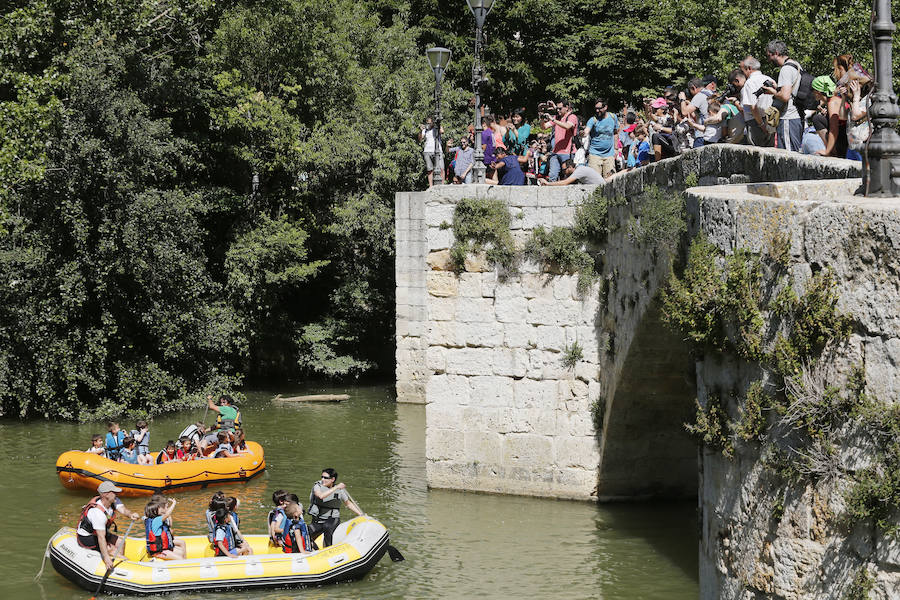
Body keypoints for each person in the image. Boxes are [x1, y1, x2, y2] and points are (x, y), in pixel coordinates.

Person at [76, 481, 140, 570]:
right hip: (87, 536)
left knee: (121, 542)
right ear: (106, 494)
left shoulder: (114, 500)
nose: (116, 494)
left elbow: (123, 510)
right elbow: (101, 537)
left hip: (100, 532)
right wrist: (106, 558)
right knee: (112, 550)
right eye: (114, 492)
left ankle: (119, 565)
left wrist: (131, 514)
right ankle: (127, 566)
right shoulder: (97, 513)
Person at [308, 469, 363, 549]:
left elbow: (348, 503)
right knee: (306, 532)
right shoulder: (317, 486)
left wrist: (360, 514)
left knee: (327, 527)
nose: (323, 479)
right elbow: (321, 496)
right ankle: (315, 549)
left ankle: (328, 549)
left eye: (325, 478)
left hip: (332, 518)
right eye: (322, 477)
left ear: (332, 479)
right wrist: (337, 487)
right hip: (318, 520)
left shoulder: (340, 490)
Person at [764, 40, 804, 152]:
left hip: (788, 118)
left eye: (769, 56)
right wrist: (778, 88)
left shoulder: (785, 69)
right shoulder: (796, 65)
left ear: (776, 53)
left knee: (787, 155)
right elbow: (792, 90)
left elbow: (785, 96)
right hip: (797, 115)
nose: (768, 59)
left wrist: (772, 91)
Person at [740, 56, 775, 147]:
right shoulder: (769, 79)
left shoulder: (750, 82)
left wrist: (761, 125)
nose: (743, 73)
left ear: (749, 69)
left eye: (743, 70)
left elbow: (753, 107)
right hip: (771, 120)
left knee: (755, 154)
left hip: (756, 122)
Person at [542, 101, 579, 181]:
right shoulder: (557, 117)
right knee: (552, 175)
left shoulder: (572, 117)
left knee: (568, 176)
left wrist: (553, 119)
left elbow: (567, 126)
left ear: (566, 107)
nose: (557, 110)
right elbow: (544, 126)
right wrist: (541, 116)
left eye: (559, 108)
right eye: (557, 108)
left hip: (567, 152)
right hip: (555, 152)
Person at [144, 495, 187, 560]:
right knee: (180, 558)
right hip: (159, 552)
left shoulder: (155, 519)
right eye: (159, 508)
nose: (161, 508)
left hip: (162, 548)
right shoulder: (156, 520)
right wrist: (174, 504)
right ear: (154, 511)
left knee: (181, 552)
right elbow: (167, 514)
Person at [585, 98, 618, 178]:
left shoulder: (613, 117)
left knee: (610, 180)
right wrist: (583, 133)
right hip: (594, 155)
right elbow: (587, 130)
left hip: (609, 155)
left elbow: (615, 133)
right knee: (595, 180)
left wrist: (616, 149)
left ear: (605, 107)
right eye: (596, 108)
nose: (597, 111)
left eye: (599, 108)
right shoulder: (593, 120)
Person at [681, 78, 710, 148]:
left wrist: (682, 99)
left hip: (702, 136)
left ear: (693, 88)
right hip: (713, 134)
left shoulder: (699, 96)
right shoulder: (709, 93)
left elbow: (684, 112)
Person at [539, 158, 606, 186]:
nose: (563, 172)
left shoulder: (579, 171)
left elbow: (565, 182)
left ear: (570, 167)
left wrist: (548, 183)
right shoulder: (579, 169)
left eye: (564, 170)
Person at [418, 117, 443, 187]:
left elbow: (442, 131)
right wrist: (420, 130)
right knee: (430, 170)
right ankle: (431, 186)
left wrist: (438, 124)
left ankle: (442, 185)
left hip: (437, 151)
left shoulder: (436, 128)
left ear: (432, 123)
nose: (428, 124)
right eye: (427, 123)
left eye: (430, 123)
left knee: (441, 169)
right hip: (427, 151)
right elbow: (420, 139)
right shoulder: (425, 130)